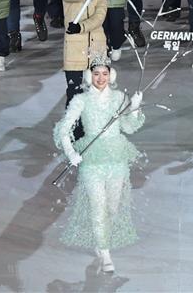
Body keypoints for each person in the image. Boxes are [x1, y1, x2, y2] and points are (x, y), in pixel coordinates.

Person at [53, 58, 144, 274]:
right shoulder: (81, 100)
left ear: (110, 76)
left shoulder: (119, 98)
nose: (100, 78)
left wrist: (135, 108)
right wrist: (71, 153)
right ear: (89, 76)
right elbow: (63, 130)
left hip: (117, 158)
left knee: (112, 207)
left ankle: (101, 241)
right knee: (98, 205)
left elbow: (130, 128)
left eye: (104, 73)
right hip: (92, 160)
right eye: (96, 74)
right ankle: (104, 252)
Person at [61, 0, 110, 140]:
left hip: (96, 48)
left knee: (97, 93)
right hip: (75, 50)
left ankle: (95, 131)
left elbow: (100, 16)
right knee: (75, 94)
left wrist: (82, 26)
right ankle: (74, 132)